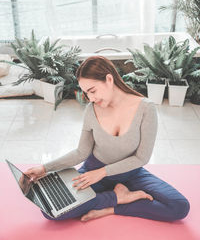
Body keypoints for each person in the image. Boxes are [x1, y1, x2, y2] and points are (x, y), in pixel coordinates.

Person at [25, 56, 190, 222]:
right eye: (86, 93)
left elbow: (142, 157)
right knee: (50, 211)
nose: (90, 98)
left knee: (179, 207)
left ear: (109, 79)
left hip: (131, 173)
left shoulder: (146, 108)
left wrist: (103, 173)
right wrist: (45, 168)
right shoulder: (91, 110)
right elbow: (81, 152)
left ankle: (110, 208)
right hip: (92, 171)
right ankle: (117, 197)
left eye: (93, 90)